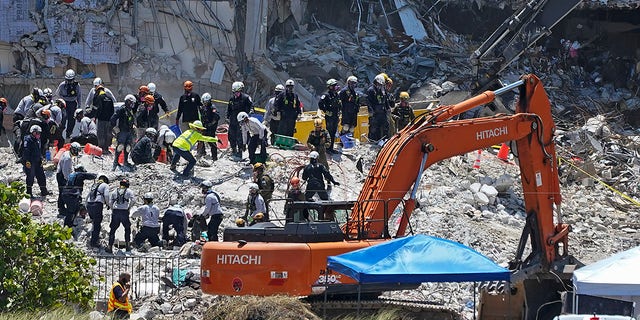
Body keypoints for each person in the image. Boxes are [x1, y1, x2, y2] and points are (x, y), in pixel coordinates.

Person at [61, 165, 97, 236]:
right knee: (71, 212)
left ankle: (70, 225)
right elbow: (90, 175)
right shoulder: (79, 174)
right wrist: (96, 176)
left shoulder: (71, 175)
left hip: (66, 194)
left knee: (75, 209)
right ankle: (67, 229)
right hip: (72, 195)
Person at [107, 179, 135, 253]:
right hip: (124, 212)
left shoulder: (114, 191)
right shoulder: (129, 191)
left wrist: (113, 209)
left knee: (112, 229)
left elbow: (110, 202)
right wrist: (129, 207)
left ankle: (110, 247)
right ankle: (128, 246)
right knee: (127, 228)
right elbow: (133, 200)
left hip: (116, 211)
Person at [227, 81, 253, 158]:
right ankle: (233, 149)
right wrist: (227, 117)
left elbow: (251, 108)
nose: (236, 94)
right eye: (234, 92)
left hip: (241, 121)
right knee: (231, 136)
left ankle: (240, 151)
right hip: (233, 120)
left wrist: (248, 115)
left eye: (237, 92)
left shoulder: (246, 98)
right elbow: (229, 109)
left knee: (240, 136)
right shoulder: (232, 99)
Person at [110, 94, 137, 171]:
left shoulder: (130, 111)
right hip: (122, 131)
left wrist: (134, 127)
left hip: (129, 131)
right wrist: (115, 128)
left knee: (128, 147)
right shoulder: (121, 110)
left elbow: (131, 120)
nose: (132, 105)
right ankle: (115, 163)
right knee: (120, 146)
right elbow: (113, 119)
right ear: (127, 102)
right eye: (131, 103)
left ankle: (125, 161)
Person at [22, 125, 49, 198]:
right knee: (30, 177)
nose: (38, 135)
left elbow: (39, 150)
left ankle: (44, 191)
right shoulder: (28, 140)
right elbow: (26, 151)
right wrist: (27, 161)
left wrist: (41, 158)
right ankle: (29, 192)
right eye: (37, 133)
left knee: (41, 176)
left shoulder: (37, 140)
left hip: (37, 160)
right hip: (30, 161)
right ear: (32, 132)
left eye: (39, 133)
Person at [54, 69, 82, 139]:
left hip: (72, 103)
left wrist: (79, 106)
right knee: (63, 118)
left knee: (72, 119)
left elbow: (79, 95)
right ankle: (59, 134)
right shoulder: (62, 85)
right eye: (68, 80)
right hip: (64, 103)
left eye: (71, 80)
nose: (69, 82)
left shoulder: (77, 85)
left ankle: (68, 134)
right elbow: (57, 94)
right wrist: (60, 101)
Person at [90, 81, 116, 153]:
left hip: (101, 119)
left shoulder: (99, 98)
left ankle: (101, 149)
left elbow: (98, 109)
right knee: (107, 134)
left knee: (101, 134)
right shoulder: (109, 98)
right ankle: (106, 148)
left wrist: (95, 116)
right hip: (108, 120)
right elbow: (112, 110)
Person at [86, 174, 110, 248]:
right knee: (97, 224)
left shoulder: (94, 185)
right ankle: (94, 242)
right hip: (97, 205)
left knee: (94, 221)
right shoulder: (105, 185)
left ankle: (93, 236)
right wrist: (108, 204)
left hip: (89, 204)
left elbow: (88, 195)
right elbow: (106, 195)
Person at [56, 142, 81, 212]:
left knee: (62, 192)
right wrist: (69, 181)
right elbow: (65, 171)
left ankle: (61, 206)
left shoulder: (67, 153)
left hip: (60, 174)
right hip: (62, 176)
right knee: (63, 192)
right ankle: (61, 209)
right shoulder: (68, 159)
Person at [318, 78, 342, 153]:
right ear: (330, 87)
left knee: (333, 132)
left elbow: (339, 104)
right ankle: (327, 148)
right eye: (334, 85)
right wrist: (326, 111)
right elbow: (320, 104)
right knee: (329, 132)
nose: (336, 87)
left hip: (335, 116)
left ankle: (331, 148)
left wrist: (339, 111)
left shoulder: (336, 95)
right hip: (329, 116)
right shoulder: (326, 95)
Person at [366, 74, 391, 142]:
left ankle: (384, 140)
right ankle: (372, 141)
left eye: (381, 84)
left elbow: (385, 100)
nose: (380, 85)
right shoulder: (371, 90)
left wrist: (388, 107)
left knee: (385, 126)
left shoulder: (382, 90)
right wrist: (371, 111)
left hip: (382, 112)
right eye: (379, 84)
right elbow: (369, 102)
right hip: (375, 113)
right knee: (374, 128)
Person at [199, 92, 220, 160]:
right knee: (201, 139)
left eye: (205, 102)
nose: (204, 104)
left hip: (211, 128)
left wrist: (211, 124)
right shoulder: (203, 107)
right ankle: (202, 153)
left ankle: (214, 157)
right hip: (204, 126)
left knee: (211, 142)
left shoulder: (212, 108)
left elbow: (217, 117)